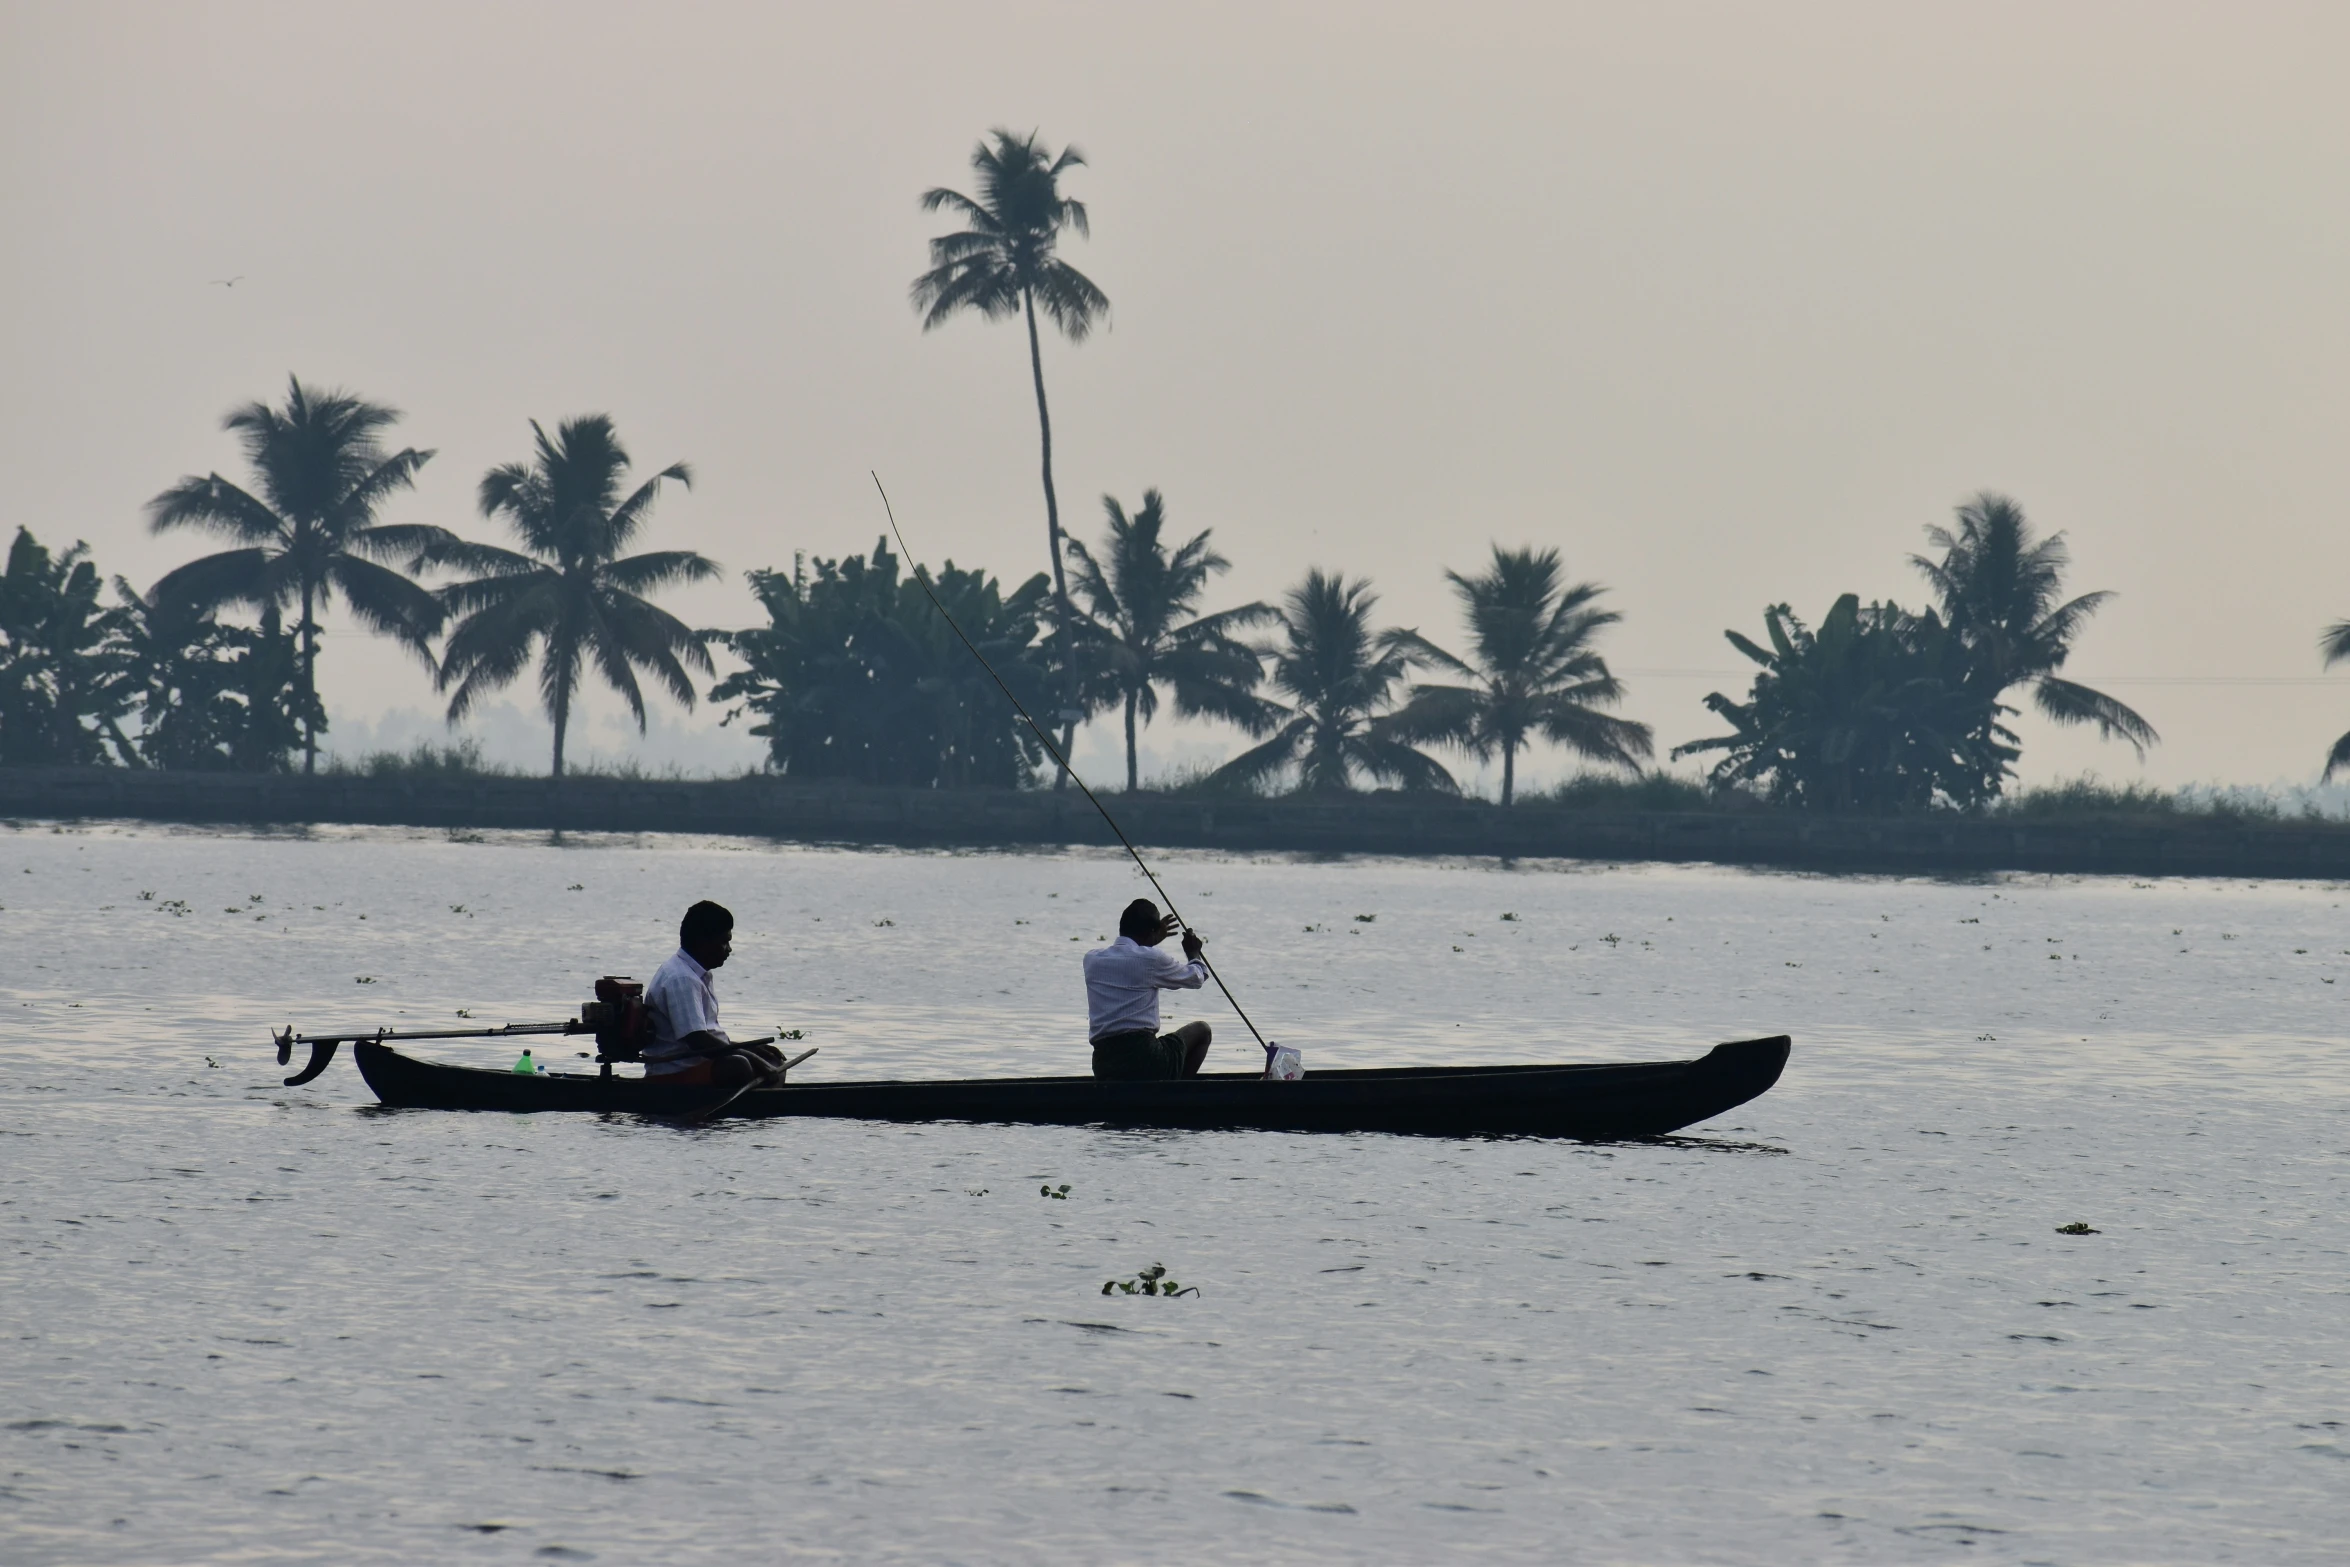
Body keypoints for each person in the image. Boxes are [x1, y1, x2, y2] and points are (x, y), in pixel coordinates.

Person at [643, 900, 785, 1089]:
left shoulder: (696, 975)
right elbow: (698, 1041)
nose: (729, 949)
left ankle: (763, 1106)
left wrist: (754, 1050)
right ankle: (756, 1110)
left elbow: (710, 1039)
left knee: (774, 1059)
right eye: (724, 942)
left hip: (699, 1064)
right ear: (703, 942)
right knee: (738, 1066)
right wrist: (753, 1059)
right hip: (674, 1072)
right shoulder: (681, 979)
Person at [1083, 897, 1213, 1080]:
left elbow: (1134, 960)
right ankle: (1179, 1095)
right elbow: (1196, 977)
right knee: (1202, 1030)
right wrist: (1193, 953)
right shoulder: (1151, 959)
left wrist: (1150, 940)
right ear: (1151, 932)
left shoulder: (1091, 959)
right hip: (1146, 1060)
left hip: (1104, 1065)